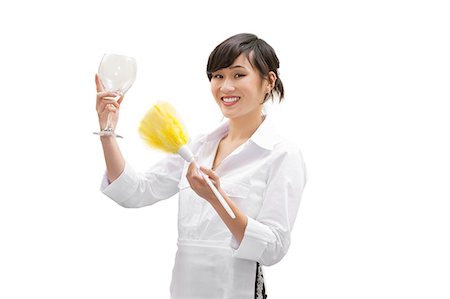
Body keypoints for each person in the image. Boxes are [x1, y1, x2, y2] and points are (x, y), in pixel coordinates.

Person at [96, 33, 307, 299]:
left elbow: (273, 248)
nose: (225, 87)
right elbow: (136, 192)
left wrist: (217, 199)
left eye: (238, 75)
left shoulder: (282, 155)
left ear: (269, 81)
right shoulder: (197, 147)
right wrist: (107, 131)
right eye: (217, 76)